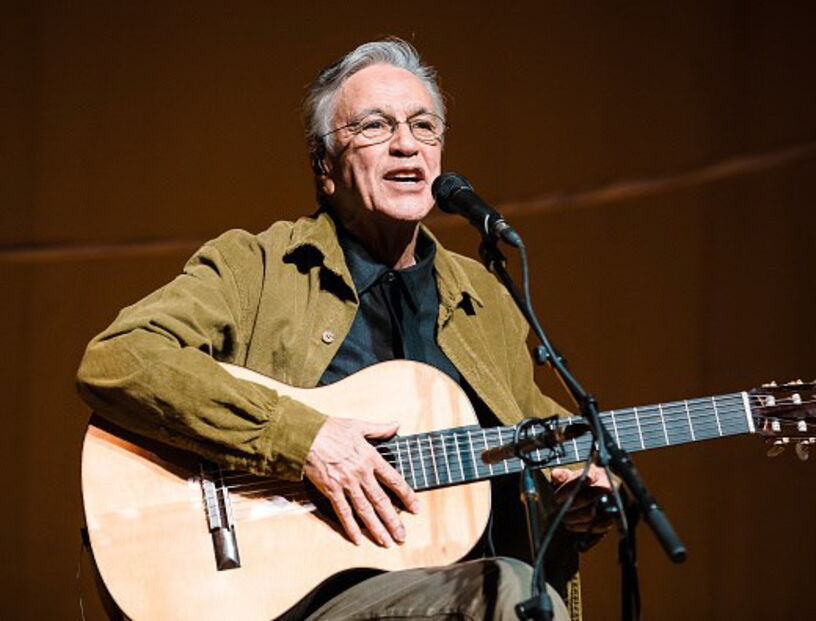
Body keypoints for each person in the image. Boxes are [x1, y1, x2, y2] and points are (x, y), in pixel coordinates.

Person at [77, 38, 612, 620]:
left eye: (424, 126)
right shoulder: (256, 267)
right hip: (290, 600)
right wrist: (303, 439)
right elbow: (120, 359)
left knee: (516, 590)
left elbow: (533, 429)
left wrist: (571, 498)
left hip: (446, 587)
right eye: (376, 126)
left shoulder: (483, 296)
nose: (407, 144)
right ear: (324, 167)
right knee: (507, 593)